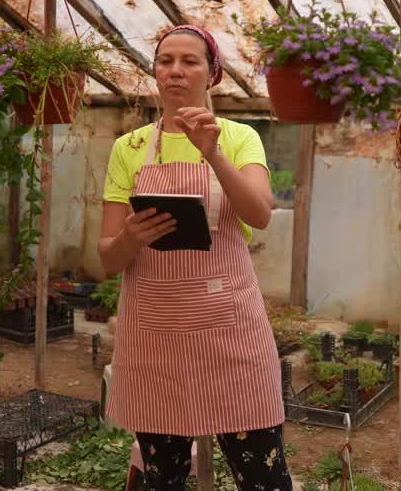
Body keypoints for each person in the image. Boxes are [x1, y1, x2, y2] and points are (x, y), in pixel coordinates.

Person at [99, 25, 292, 490]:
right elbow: (107, 258)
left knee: (262, 476)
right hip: (155, 340)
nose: (176, 71)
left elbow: (260, 214)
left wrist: (215, 155)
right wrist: (132, 235)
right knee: (162, 479)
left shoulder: (240, 137)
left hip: (231, 336)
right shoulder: (128, 149)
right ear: (154, 73)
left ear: (213, 74)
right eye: (166, 61)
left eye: (190, 61)